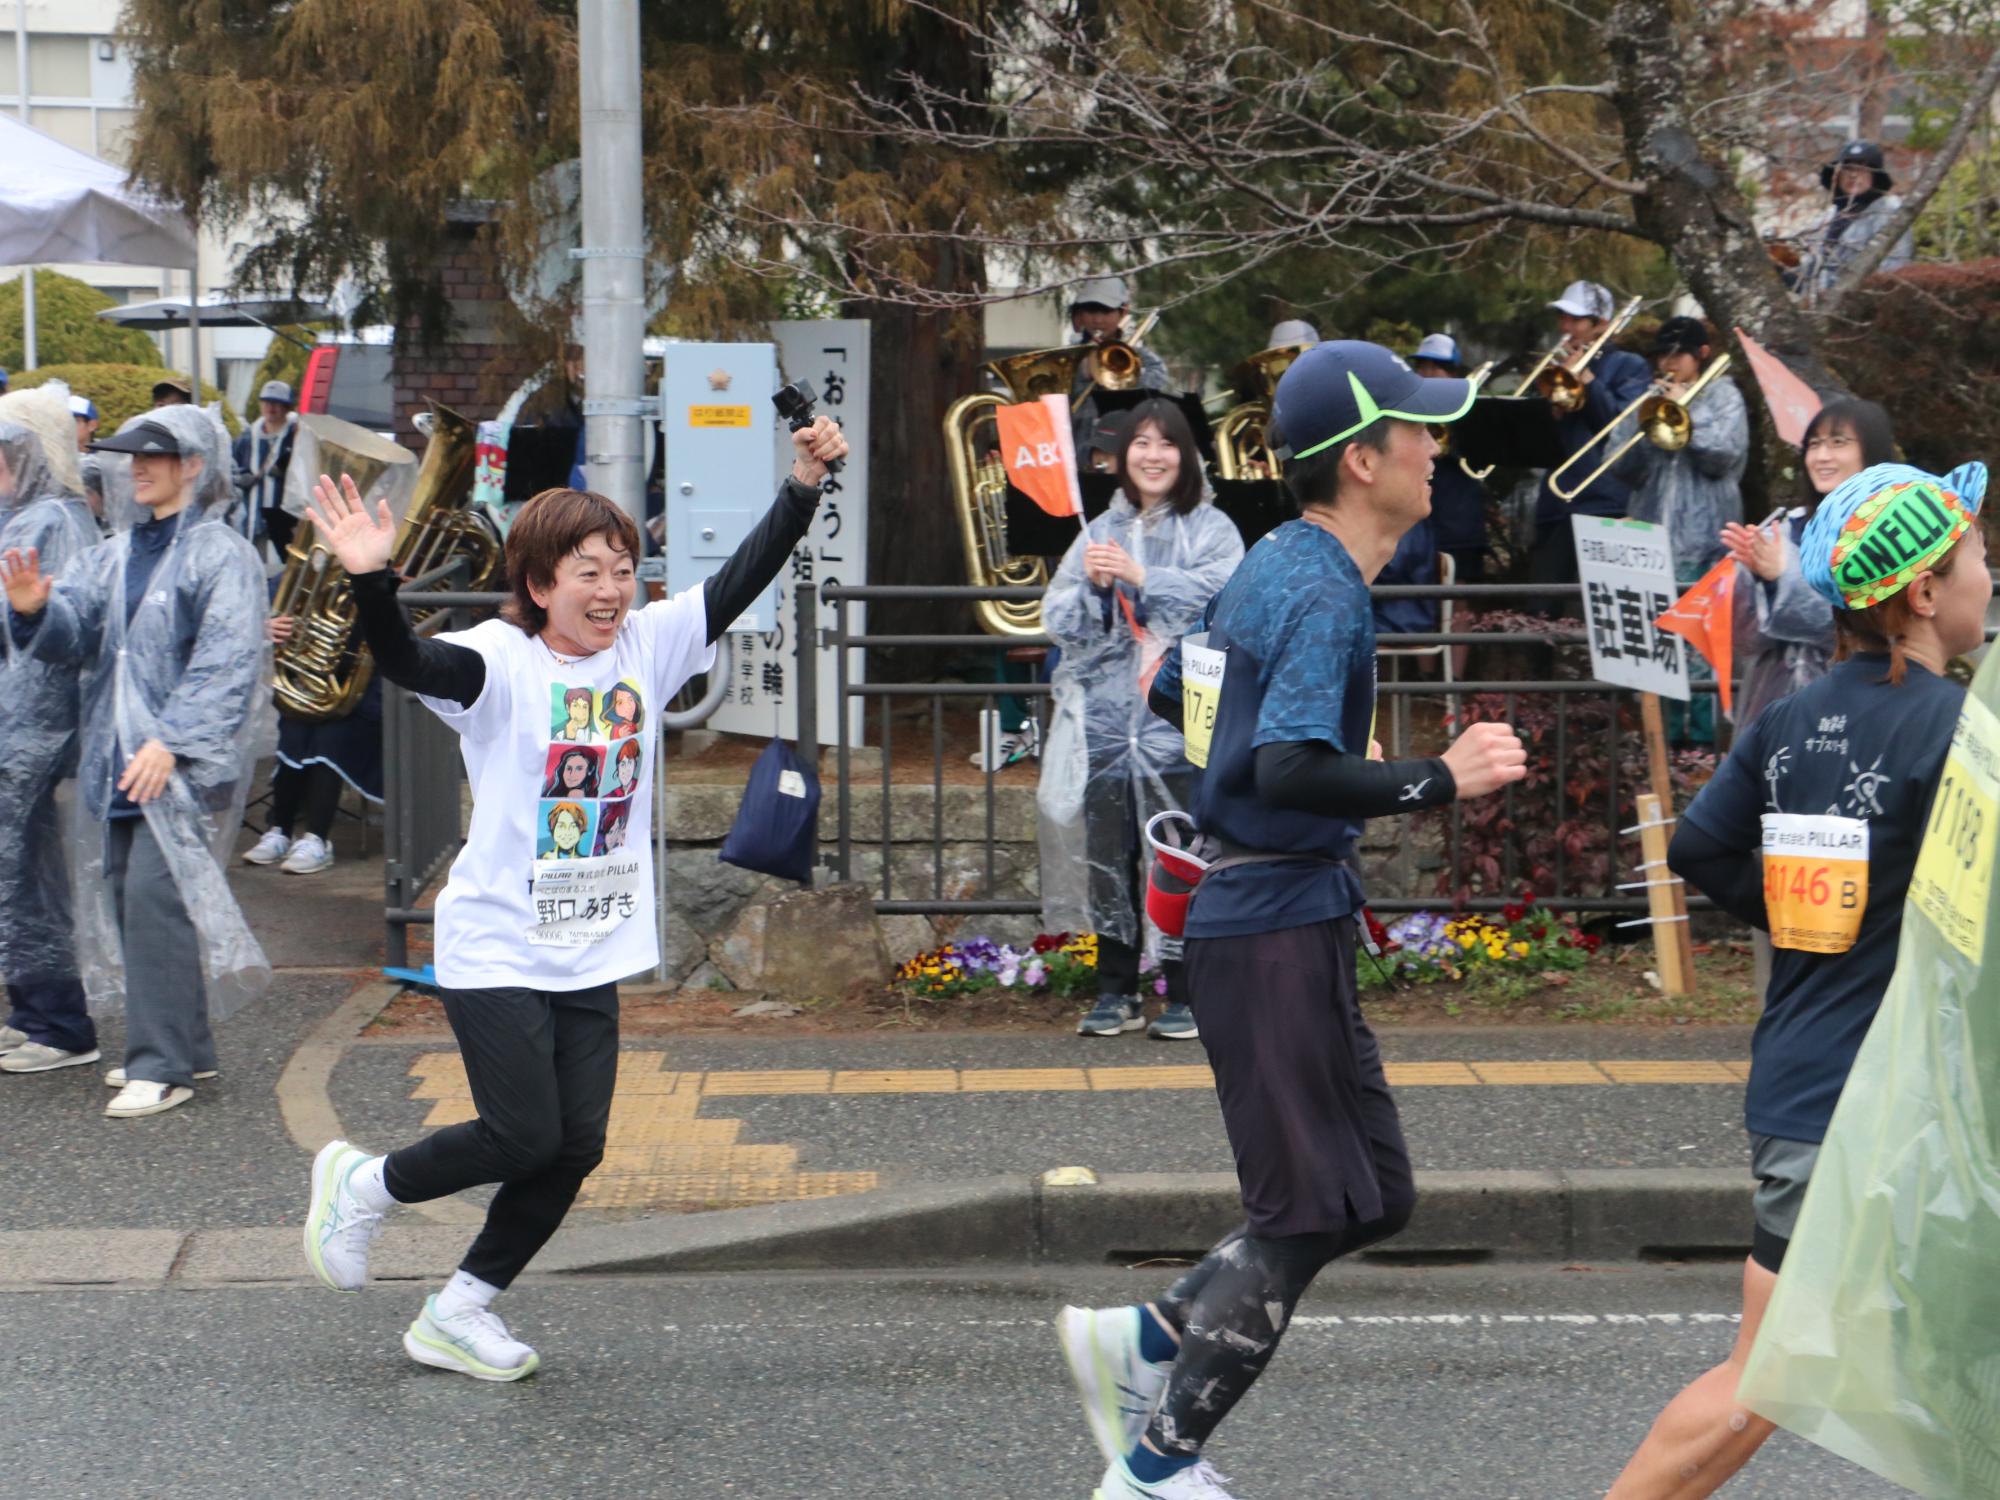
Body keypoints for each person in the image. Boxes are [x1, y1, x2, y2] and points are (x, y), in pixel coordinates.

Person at [1057, 341, 1527, 1499]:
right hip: (1265, 922)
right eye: (1416, 431)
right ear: (1362, 461)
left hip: (1274, 914)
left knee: (1373, 1192)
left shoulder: (1277, 561)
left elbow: (1180, 692)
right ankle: (1158, 1466)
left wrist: (1292, 738)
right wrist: (1434, 775)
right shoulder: (1318, 588)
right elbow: (1284, 765)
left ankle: (1152, 1333)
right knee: (1304, 1209)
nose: (1434, 447)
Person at [292, 413, 847, 1383]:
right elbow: (410, 664)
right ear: (539, 584)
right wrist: (372, 579)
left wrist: (801, 484)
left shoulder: (648, 644)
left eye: (622, 566)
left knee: (574, 1146)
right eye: (585, 570)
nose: (610, 588)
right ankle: (367, 1182)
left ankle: (460, 1310)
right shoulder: (496, 664)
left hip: (591, 942)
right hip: (498, 941)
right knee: (521, 1132)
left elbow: (742, 576)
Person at [1605, 458, 1989, 1498]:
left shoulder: (1790, 717)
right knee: (1762, 1382)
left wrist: (1815, 920)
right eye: (1975, 557)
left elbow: (1694, 847)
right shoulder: (1959, 732)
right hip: (1895, 1114)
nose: (1985, 575)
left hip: (1804, 1086)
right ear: (1921, 593)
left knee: (1772, 1376)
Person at [0, 407, 270, 1119]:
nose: (137, 468)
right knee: (132, 899)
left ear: (195, 465)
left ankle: (160, 1064)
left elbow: (227, 660)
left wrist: (172, 740)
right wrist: (33, 612)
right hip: (116, 759)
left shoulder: (219, 554)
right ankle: (190, 1050)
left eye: (157, 455)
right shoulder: (112, 552)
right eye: (130, 457)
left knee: (154, 901)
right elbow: (73, 638)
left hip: (174, 762)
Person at [1040, 398, 1243, 1043]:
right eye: (1141, 444)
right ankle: (1115, 988)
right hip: (1106, 721)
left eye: (1167, 443)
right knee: (1110, 848)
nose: (1153, 455)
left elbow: (1228, 599)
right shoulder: (1096, 529)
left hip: (1184, 717)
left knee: (1182, 849)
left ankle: (1187, 991)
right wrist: (1097, 589)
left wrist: (1144, 576)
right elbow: (1059, 620)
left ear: (1186, 456)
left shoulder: (1214, 528)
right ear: (1121, 456)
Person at [0, 391, 104, 1075]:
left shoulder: (51, 522)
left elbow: (44, 640)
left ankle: (61, 1022)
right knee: (23, 874)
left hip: (28, 730)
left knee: (27, 877)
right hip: (20, 729)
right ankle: (35, 1010)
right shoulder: (37, 516)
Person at [1721, 398, 1897, 729]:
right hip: (1773, 710)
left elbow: (1870, 628)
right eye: (1814, 444)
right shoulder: (1785, 527)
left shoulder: (1890, 532)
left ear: (1872, 451)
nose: (1822, 456)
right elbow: (1746, 642)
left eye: (1838, 442)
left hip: (1858, 711)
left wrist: (1784, 575)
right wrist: (1752, 578)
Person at [1616, 315, 1749, 744]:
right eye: (1662, 355)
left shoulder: (1724, 396)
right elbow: (1618, 466)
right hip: (1649, 540)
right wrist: (1639, 422)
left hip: (1703, 543)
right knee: (1658, 651)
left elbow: (1723, 455)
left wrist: (1684, 416)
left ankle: (1701, 747)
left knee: (1699, 650)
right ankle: (1664, 745)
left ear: (1702, 355)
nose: (1668, 363)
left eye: (1678, 355)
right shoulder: (1649, 397)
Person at [1529, 280, 1653, 598]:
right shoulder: (1556, 367)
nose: (1565, 327)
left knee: (1605, 605)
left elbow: (1621, 430)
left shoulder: (1631, 366)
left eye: (1575, 320)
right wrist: (1548, 410)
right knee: (1541, 608)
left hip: (1605, 502)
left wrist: (1588, 381)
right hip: (1556, 502)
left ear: (1602, 325)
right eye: (1563, 318)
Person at [241, 613, 383, 877]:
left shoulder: (379, 582)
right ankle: (280, 831)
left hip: (365, 696)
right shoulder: (308, 577)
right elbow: (258, 606)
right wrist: (265, 625)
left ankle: (317, 839)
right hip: (315, 687)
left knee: (329, 739)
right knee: (294, 729)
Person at [1409, 333, 1492, 585]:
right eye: (1423, 366)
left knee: (1459, 601)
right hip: (1420, 524)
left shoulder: (1471, 409)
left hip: (1459, 524)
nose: (1428, 373)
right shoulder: (1412, 409)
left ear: (1452, 373)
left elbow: (1481, 456)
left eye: (1436, 367)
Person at [1792, 140, 1914, 301]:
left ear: (1875, 176)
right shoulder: (1829, 217)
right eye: (1847, 168)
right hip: (1821, 313)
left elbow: (1892, 271)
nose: (1853, 175)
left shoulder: (1889, 214)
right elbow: (1809, 271)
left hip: (1865, 308)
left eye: (1862, 169)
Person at [231, 380, 297, 558]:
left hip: (286, 519)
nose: (271, 407)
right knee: (254, 562)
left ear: (287, 407)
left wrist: (286, 473)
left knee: (287, 564)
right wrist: (240, 478)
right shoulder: (247, 438)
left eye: (277, 403)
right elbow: (231, 468)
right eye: (267, 402)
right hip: (253, 516)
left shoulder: (297, 436)